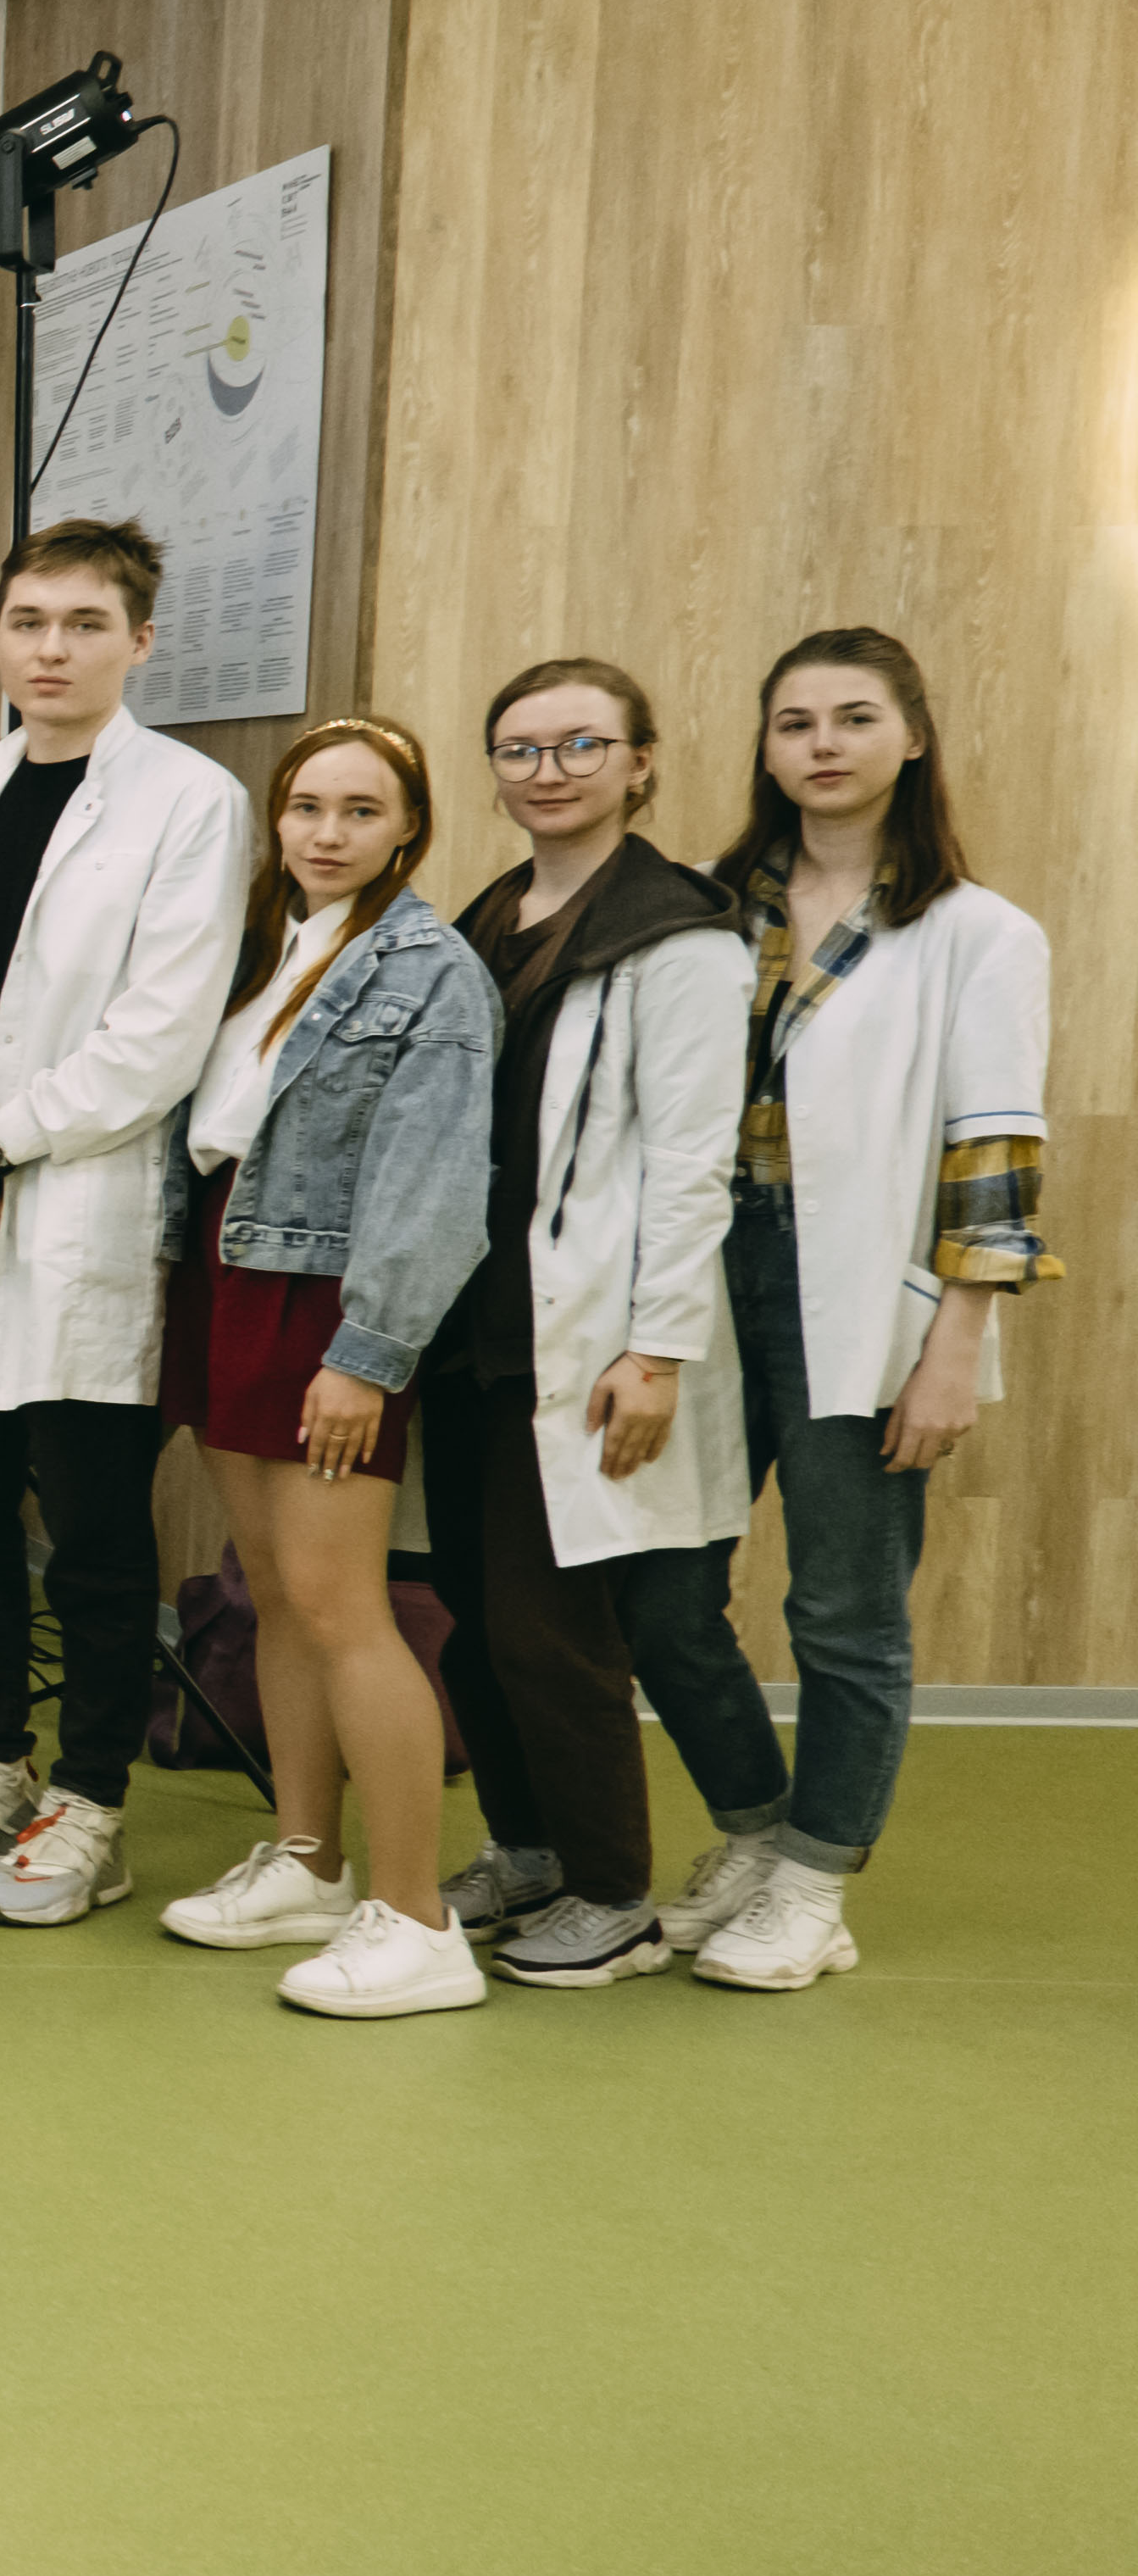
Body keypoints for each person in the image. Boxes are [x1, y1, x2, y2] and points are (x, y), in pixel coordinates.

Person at [632, 627, 1052, 1995]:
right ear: (766, 750)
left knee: (844, 1612)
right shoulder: (706, 911)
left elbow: (994, 1152)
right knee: (660, 1592)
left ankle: (815, 1885)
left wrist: (953, 1346)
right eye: (796, 722)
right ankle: (760, 1834)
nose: (823, 744)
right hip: (709, 1276)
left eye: (855, 718)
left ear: (912, 738)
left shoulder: (978, 933)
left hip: (862, 1291)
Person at [0, 520, 250, 1919]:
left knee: (91, 1537)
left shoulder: (190, 803)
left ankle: (89, 1801)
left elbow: (162, 1033)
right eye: (29, 622)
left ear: (140, 641)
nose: (52, 649)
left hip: (79, 1208)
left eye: (84, 624)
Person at [413, 661, 766, 1989]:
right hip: (473, 1323)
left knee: (549, 1627)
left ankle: (612, 1894)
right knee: (468, 1608)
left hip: (583, 1338)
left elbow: (692, 1163)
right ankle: (528, 1850)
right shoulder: (491, 915)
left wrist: (656, 1349)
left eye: (580, 745)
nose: (548, 771)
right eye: (520, 748)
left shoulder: (679, 938)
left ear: (641, 763)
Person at [136, 723, 497, 2012]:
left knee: (344, 1605)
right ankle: (308, 1859)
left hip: (327, 1299)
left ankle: (418, 1919)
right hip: (226, 1269)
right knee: (278, 1598)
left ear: (410, 827)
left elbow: (435, 1186)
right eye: (306, 807)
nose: (327, 833)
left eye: (360, 810)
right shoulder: (260, 946)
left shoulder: (431, 969)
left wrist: (367, 1355)